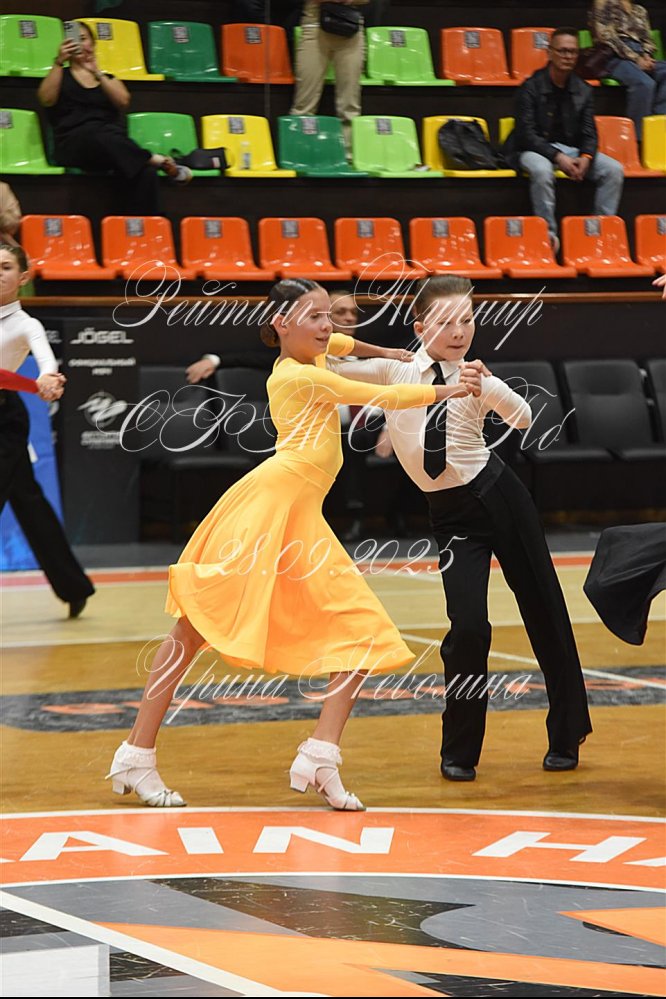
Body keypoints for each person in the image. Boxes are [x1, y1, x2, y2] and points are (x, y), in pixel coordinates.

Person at [105, 278, 472, 808]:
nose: (327, 325)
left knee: (362, 631)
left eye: (328, 314)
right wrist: (448, 389)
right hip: (266, 513)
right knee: (193, 628)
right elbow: (382, 396)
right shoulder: (297, 377)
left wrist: (389, 351)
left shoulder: (317, 354)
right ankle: (136, 754)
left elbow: (345, 343)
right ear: (281, 324)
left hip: (301, 521)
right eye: (314, 316)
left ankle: (320, 756)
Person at [328, 275, 593, 780]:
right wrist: (351, 341)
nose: (459, 331)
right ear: (420, 327)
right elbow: (328, 366)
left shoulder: (475, 374)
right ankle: (459, 749)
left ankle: (568, 731)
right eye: (446, 322)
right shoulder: (397, 369)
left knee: (544, 612)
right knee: (468, 628)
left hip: (500, 499)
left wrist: (489, 385)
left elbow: (522, 418)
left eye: (467, 320)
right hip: (449, 516)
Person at [0, 244, 95, 618]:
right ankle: (73, 586)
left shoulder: (26, 325)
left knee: (26, 498)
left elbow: (45, 362)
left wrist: (47, 379)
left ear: (23, 277)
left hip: (4, 420)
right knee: (28, 499)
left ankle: (73, 587)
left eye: (6, 267)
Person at [37, 21, 191, 215]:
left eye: (84, 39)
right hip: (73, 144)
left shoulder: (107, 77)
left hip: (109, 145)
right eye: (74, 40)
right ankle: (154, 159)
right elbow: (46, 99)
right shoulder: (60, 74)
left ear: (93, 43)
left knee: (145, 172)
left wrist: (97, 72)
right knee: (96, 133)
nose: (79, 44)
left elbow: (123, 101)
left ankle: (147, 225)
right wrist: (59, 62)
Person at [505, 26, 624, 254]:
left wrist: (586, 157)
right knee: (542, 170)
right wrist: (558, 157)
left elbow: (590, 132)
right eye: (562, 51)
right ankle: (548, 236)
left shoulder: (583, 90)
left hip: (570, 150)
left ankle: (599, 233)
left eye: (572, 52)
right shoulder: (530, 88)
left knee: (613, 170)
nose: (568, 56)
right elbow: (525, 134)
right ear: (549, 53)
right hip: (530, 149)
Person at [290, 1, 368, 153]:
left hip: (350, 28)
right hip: (314, 25)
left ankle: (348, 155)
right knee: (304, 104)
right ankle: (299, 152)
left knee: (350, 105)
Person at [591, 0, 666, 139]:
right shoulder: (603, 2)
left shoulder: (639, 10)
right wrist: (636, 59)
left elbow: (648, 39)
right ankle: (638, 138)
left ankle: (657, 125)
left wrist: (646, 55)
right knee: (645, 84)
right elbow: (606, 37)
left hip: (641, 54)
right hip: (614, 56)